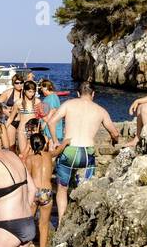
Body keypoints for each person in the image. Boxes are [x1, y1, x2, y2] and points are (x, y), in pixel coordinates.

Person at [46, 81, 121, 224]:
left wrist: (55, 141)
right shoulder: (101, 110)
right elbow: (115, 133)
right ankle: (82, 221)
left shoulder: (68, 104)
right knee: (86, 188)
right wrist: (114, 141)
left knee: (62, 188)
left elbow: (51, 122)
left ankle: (61, 222)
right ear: (93, 94)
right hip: (87, 154)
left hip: (69, 151)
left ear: (78, 93)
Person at [24, 120, 57, 247]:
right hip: (47, 192)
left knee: (27, 223)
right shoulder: (49, 155)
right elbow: (58, 150)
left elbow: (27, 177)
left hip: (35, 192)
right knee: (44, 225)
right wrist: (65, 142)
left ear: (31, 146)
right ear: (44, 144)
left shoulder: (29, 159)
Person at [8, 80, 46, 158]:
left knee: (33, 155)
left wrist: (42, 129)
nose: (32, 94)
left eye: (33, 92)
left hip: (34, 131)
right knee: (23, 155)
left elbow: (42, 117)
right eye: (30, 91)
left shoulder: (37, 101)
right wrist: (4, 129)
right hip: (22, 131)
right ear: (24, 90)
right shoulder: (18, 102)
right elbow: (11, 118)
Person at [39, 79, 63, 145]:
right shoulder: (51, 97)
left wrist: (44, 123)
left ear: (46, 88)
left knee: (51, 146)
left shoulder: (52, 97)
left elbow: (53, 111)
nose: (41, 90)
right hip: (49, 128)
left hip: (51, 128)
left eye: (42, 88)